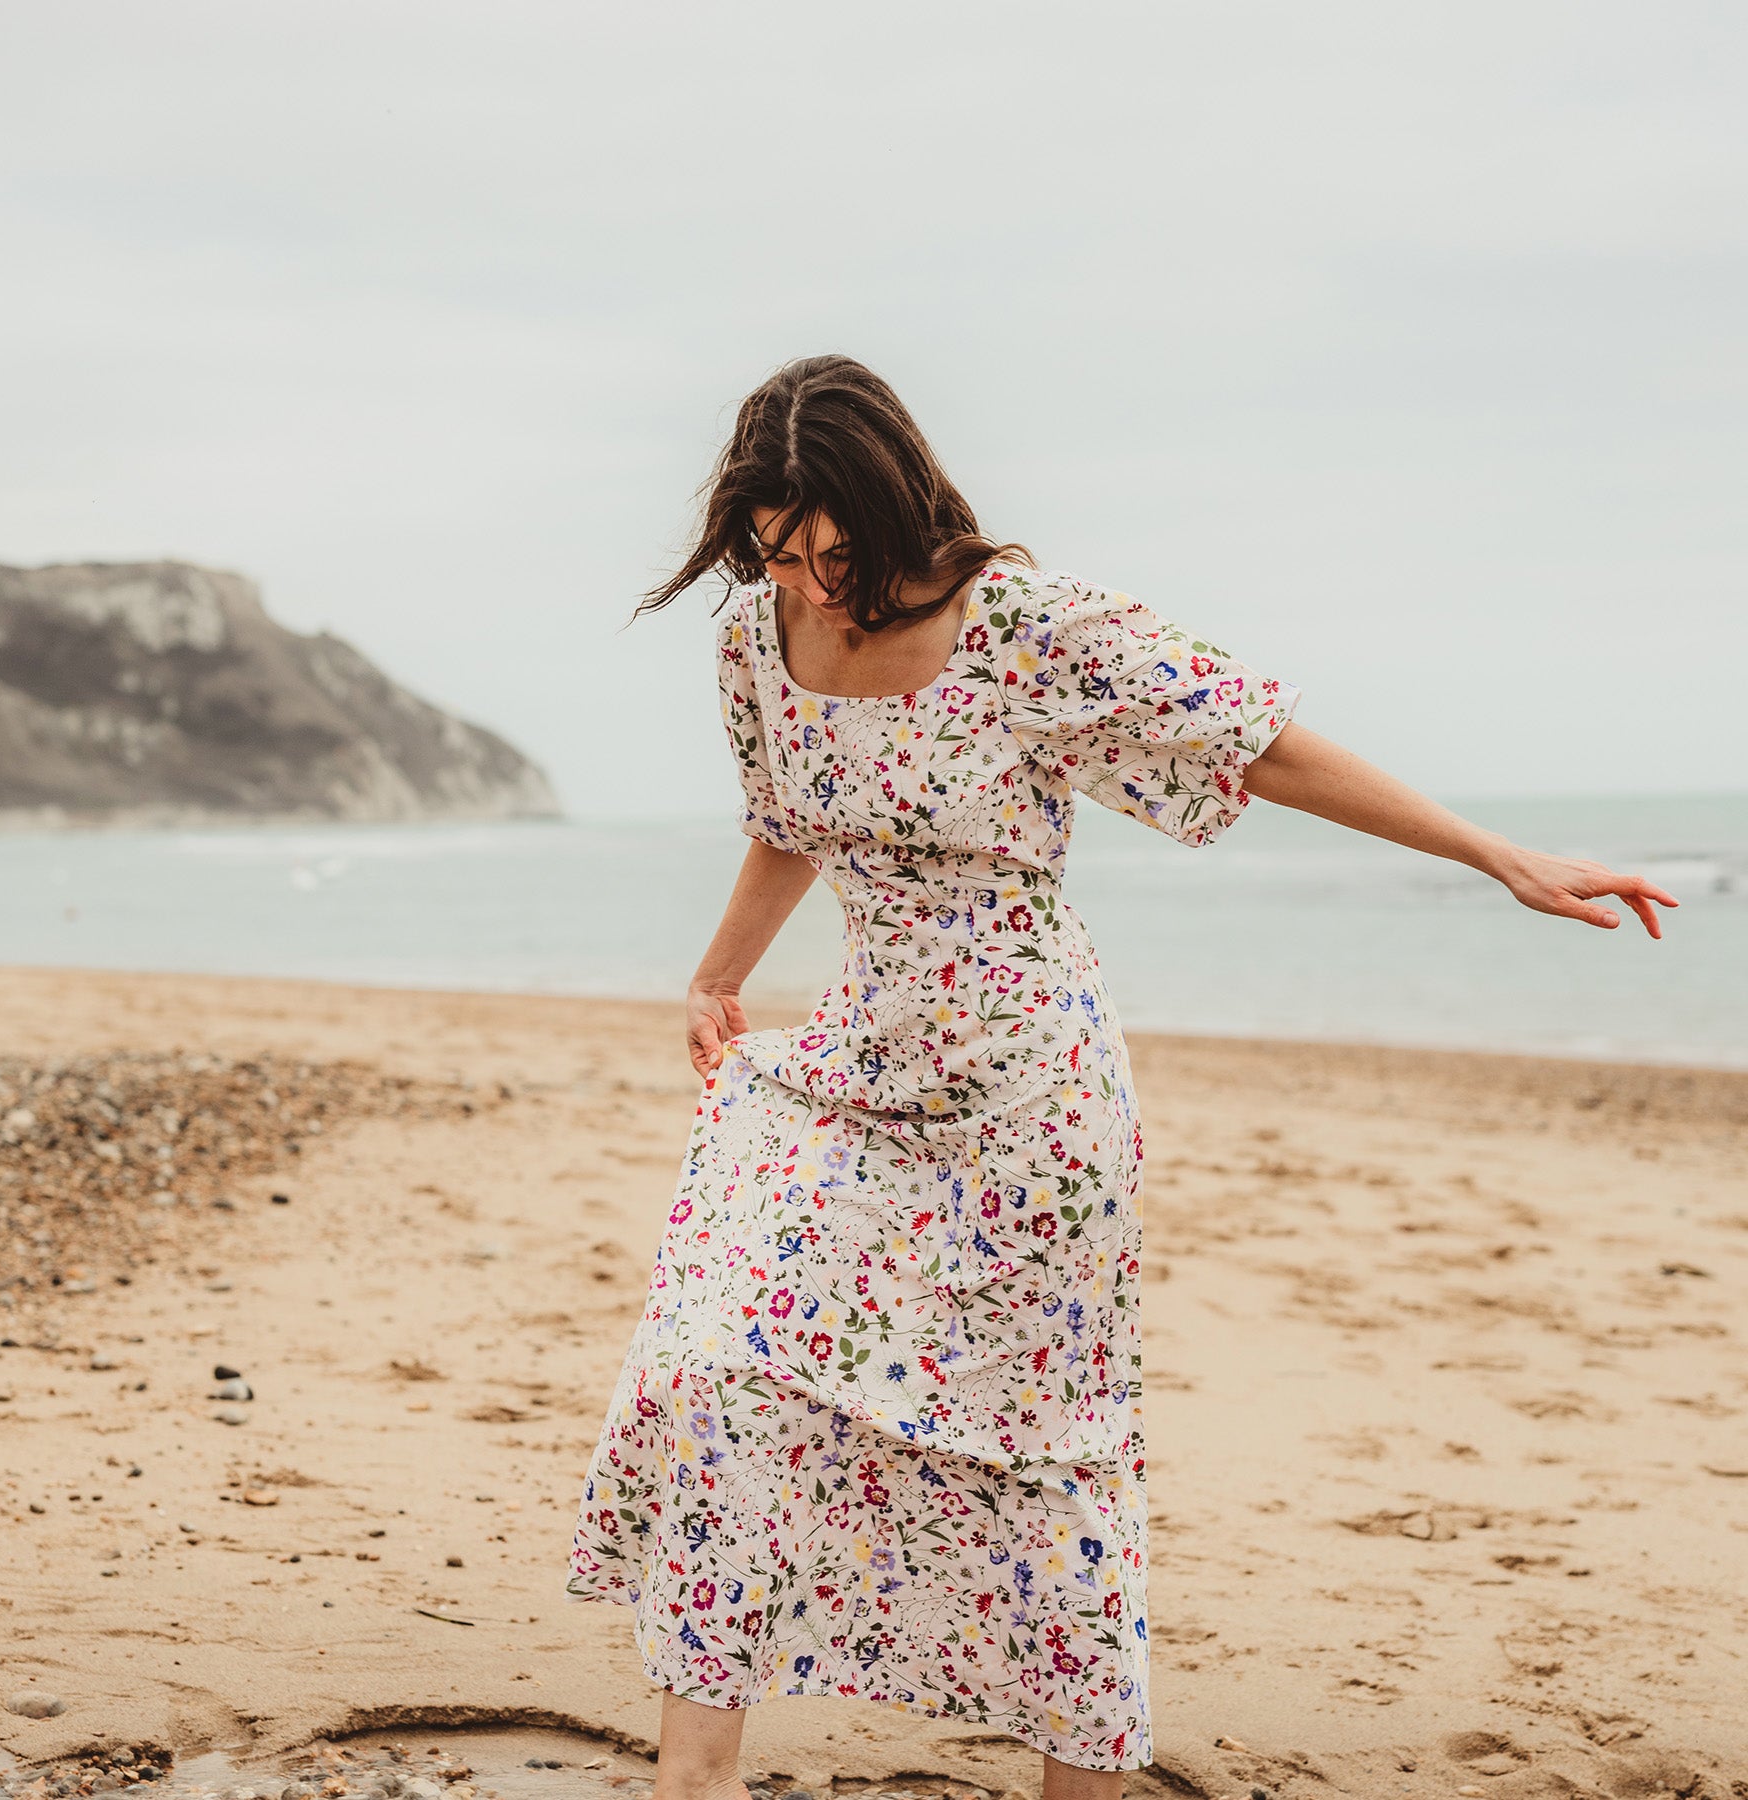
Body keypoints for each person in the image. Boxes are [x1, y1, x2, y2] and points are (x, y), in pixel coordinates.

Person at [564, 354, 1677, 1798]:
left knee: (1041, 1457)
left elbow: (1257, 746)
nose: (813, 583)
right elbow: (786, 820)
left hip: (1032, 1094)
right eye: (780, 552)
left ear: (895, 506)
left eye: (836, 552)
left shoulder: (1020, 626)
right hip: (856, 1063)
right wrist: (717, 978)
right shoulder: (756, 642)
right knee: (725, 1369)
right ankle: (689, 1781)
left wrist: (1501, 856)